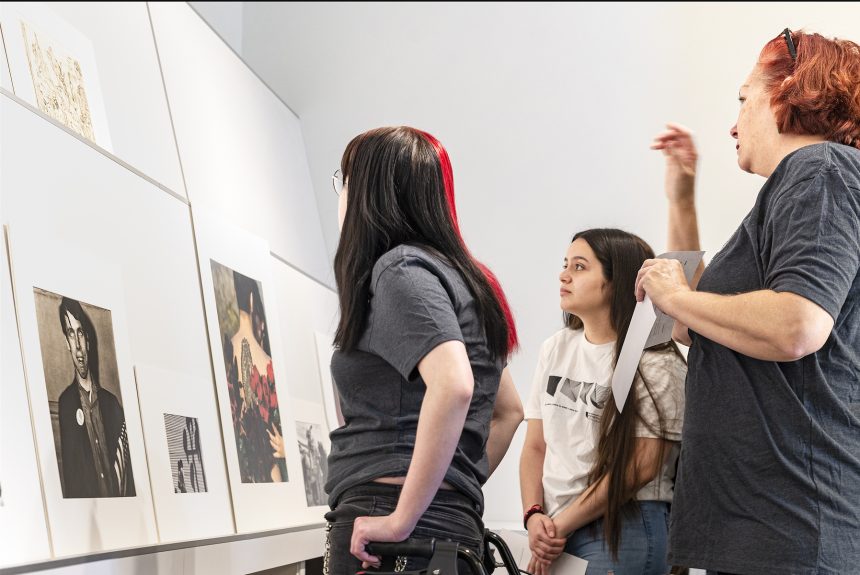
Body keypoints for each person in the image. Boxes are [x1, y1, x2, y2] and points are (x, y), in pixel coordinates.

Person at [639, 29, 860, 574]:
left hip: (788, 530)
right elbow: (693, 323)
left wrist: (672, 293)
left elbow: (796, 325)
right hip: (758, 528)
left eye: (744, 100)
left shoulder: (821, 171)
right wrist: (682, 196)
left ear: (787, 93)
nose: (734, 124)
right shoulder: (802, 183)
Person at [323, 126, 525, 574]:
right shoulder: (469, 279)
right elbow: (508, 410)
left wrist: (403, 517)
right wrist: (447, 482)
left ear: (371, 194)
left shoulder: (400, 270)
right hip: (440, 525)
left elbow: (454, 385)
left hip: (391, 525)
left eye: (345, 180)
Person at [520, 229, 687, 575]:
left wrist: (562, 524)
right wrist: (534, 514)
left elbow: (641, 466)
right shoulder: (556, 347)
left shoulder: (654, 360)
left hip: (623, 525)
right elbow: (536, 446)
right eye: (565, 264)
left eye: (580, 267)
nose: (564, 275)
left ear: (616, 282)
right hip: (552, 526)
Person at [56, 297, 134, 498]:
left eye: (80, 333)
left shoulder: (112, 404)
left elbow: (129, 476)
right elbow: (72, 480)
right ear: (67, 343)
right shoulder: (66, 405)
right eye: (71, 334)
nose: (78, 346)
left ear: (88, 341)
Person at [221, 272, 287, 483]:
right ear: (252, 300)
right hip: (272, 473)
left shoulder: (227, 350)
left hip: (245, 477)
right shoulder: (268, 362)